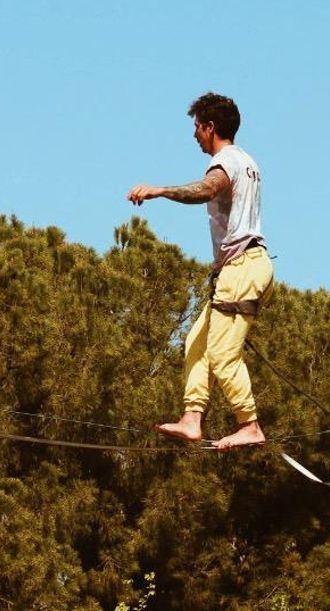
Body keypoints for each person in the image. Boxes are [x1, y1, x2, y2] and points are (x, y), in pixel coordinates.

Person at [127, 92, 273, 449]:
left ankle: (250, 425)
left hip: (243, 268)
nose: (194, 135)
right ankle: (193, 418)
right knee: (197, 343)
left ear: (210, 127)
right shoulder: (246, 161)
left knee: (223, 356)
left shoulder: (226, 162)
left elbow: (206, 190)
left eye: (197, 127)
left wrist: (160, 191)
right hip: (239, 269)